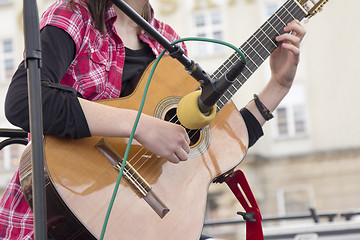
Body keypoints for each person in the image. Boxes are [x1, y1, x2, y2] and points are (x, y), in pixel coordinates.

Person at [0, 0, 306, 239]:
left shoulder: (170, 44)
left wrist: (277, 87)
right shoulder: (74, 16)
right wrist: (141, 126)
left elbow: (209, 150)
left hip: (140, 219)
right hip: (57, 210)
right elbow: (25, 100)